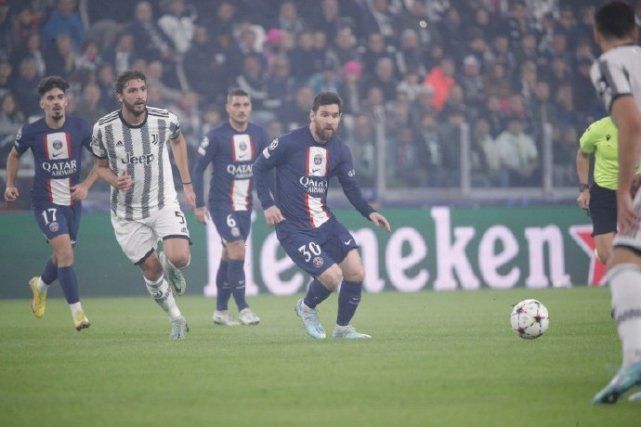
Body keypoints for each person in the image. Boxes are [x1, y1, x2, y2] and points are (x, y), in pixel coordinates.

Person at [252, 92, 391, 340]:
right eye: (324, 115)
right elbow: (258, 167)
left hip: (325, 222)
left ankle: (343, 328)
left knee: (356, 273)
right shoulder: (288, 142)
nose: (330, 121)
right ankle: (306, 308)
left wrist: (369, 212)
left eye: (335, 116)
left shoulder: (340, 150)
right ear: (312, 115)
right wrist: (268, 204)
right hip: (293, 227)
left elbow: (351, 187)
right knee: (331, 276)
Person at [91, 70, 195, 341]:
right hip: (127, 213)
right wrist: (115, 180)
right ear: (120, 96)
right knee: (151, 269)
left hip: (162, 201)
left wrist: (187, 184)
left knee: (180, 258)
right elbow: (99, 167)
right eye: (132, 91)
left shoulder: (165, 120)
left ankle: (168, 261)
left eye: (142, 89)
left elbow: (179, 141)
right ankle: (176, 318)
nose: (139, 95)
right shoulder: (104, 128)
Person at [4, 75, 97, 331]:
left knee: (60, 256)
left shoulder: (80, 127)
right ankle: (78, 314)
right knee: (66, 253)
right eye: (50, 98)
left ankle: (40, 285)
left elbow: (101, 160)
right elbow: (14, 155)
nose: (56, 102)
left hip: (72, 202)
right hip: (45, 201)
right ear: (42, 103)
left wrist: (86, 185)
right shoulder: (32, 131)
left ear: (66, 101)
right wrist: (10, 184)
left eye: (59, 97)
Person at [589, 1, 641, 404]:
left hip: (632, 183)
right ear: (635, 29)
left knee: (623, 261)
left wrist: (624, 190)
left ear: (597, 33)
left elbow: (631, 121)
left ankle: (634, 358)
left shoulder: (610, 65)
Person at [192, 88, 267, 326]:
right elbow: (198, 168)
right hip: (221, 204)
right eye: (236, 105)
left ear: (250, 107)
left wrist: (271, 202)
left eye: (245, 104)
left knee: (229, 255)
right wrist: (199, 205)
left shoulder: (259, 134)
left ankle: (221, 312)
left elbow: (268, 168)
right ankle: (244, 308)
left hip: (245, 205)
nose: (241, 109)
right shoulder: (216, 136)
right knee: (237, 249)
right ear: (228, 108)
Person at [576, 116, 620, 265]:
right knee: (606, 255)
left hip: (634, 190)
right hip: (604, 193)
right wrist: (584, 189)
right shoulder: (599, 128)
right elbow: (583, 154)